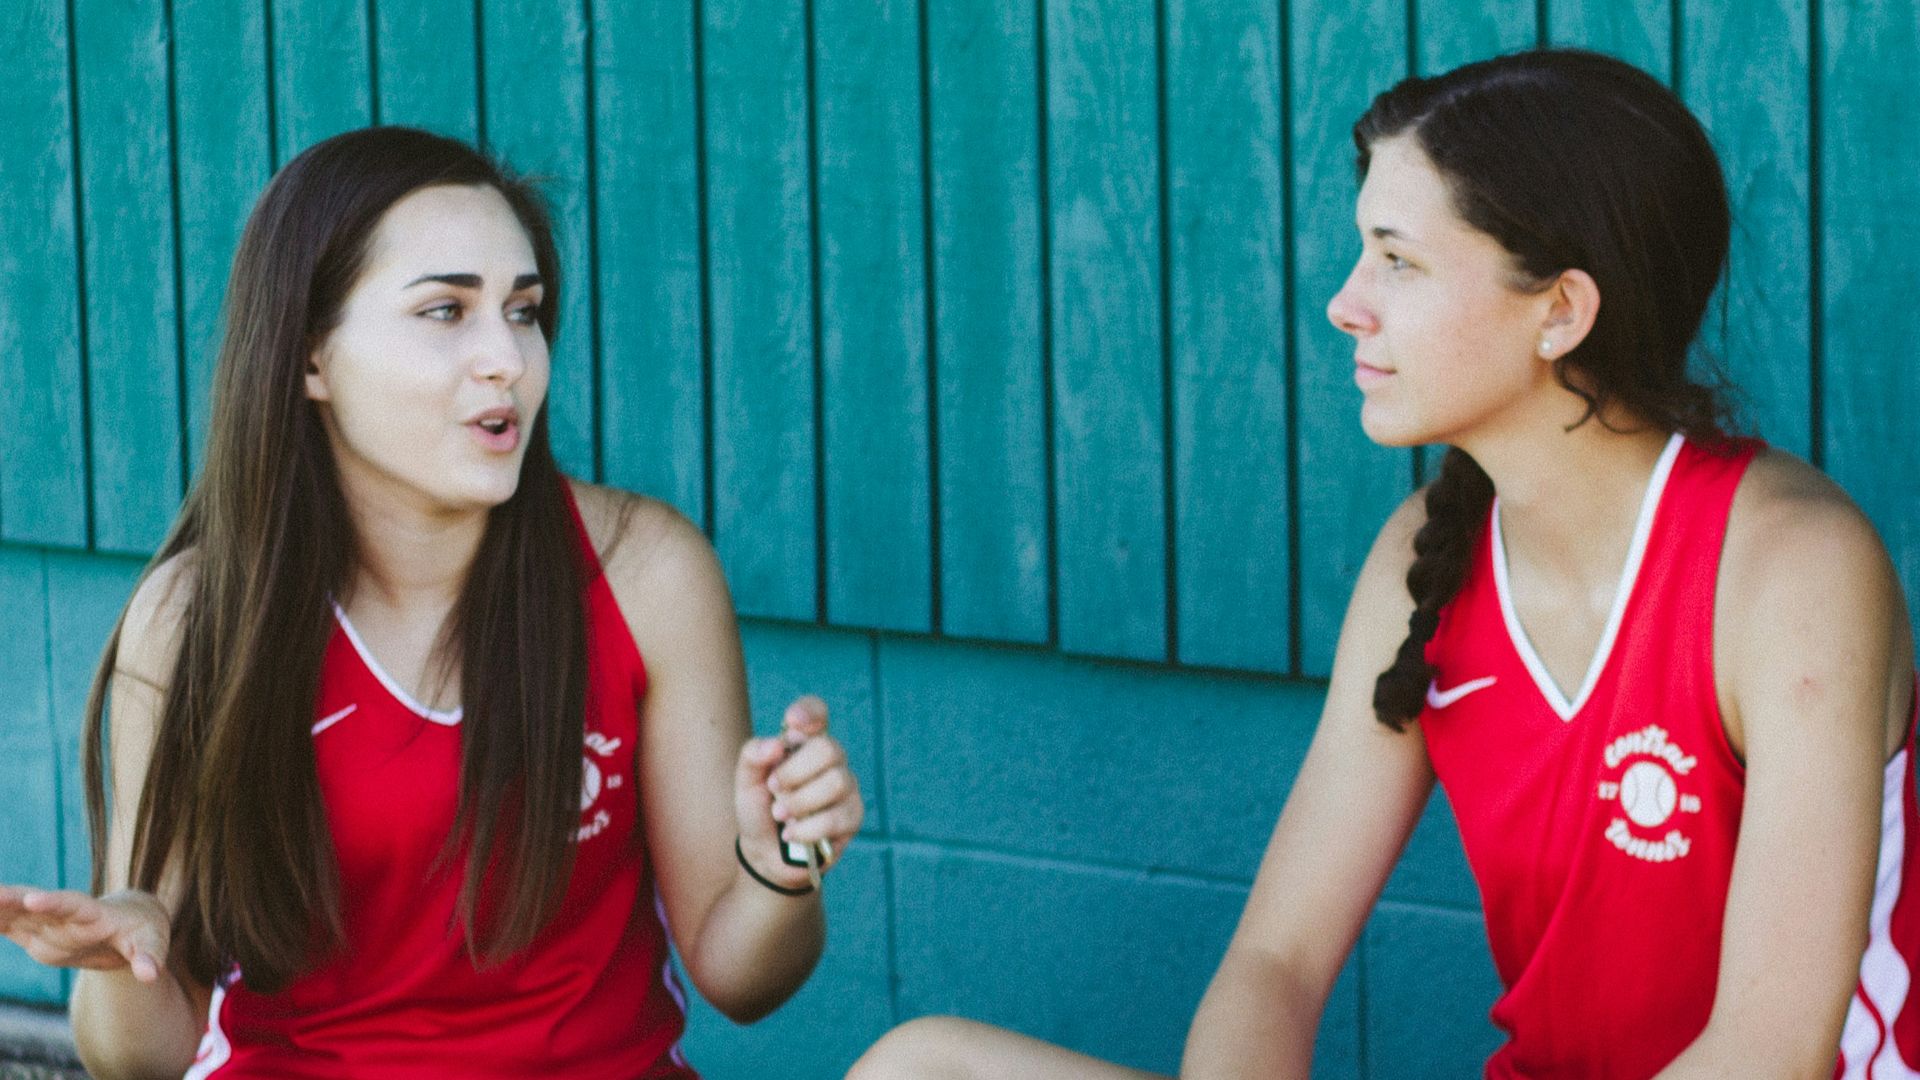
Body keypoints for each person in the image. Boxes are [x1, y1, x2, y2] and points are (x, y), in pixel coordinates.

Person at [848, 47, 1919, 1079]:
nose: (1345, 303)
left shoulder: (1794, 573)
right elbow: (1276, 963)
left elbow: (1768, 1054)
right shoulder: (1426, 554)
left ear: (1561, 311)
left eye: (1398, 261)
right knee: (921, 1067)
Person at [0, 126, 865, 1079]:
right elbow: (143, 1062)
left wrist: (781, 867)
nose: (509, 359)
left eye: (524, 312)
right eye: (447, 310)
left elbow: (745, 981)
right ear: (310, 357)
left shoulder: (647, 573)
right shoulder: (196, 618)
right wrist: (124, 957)